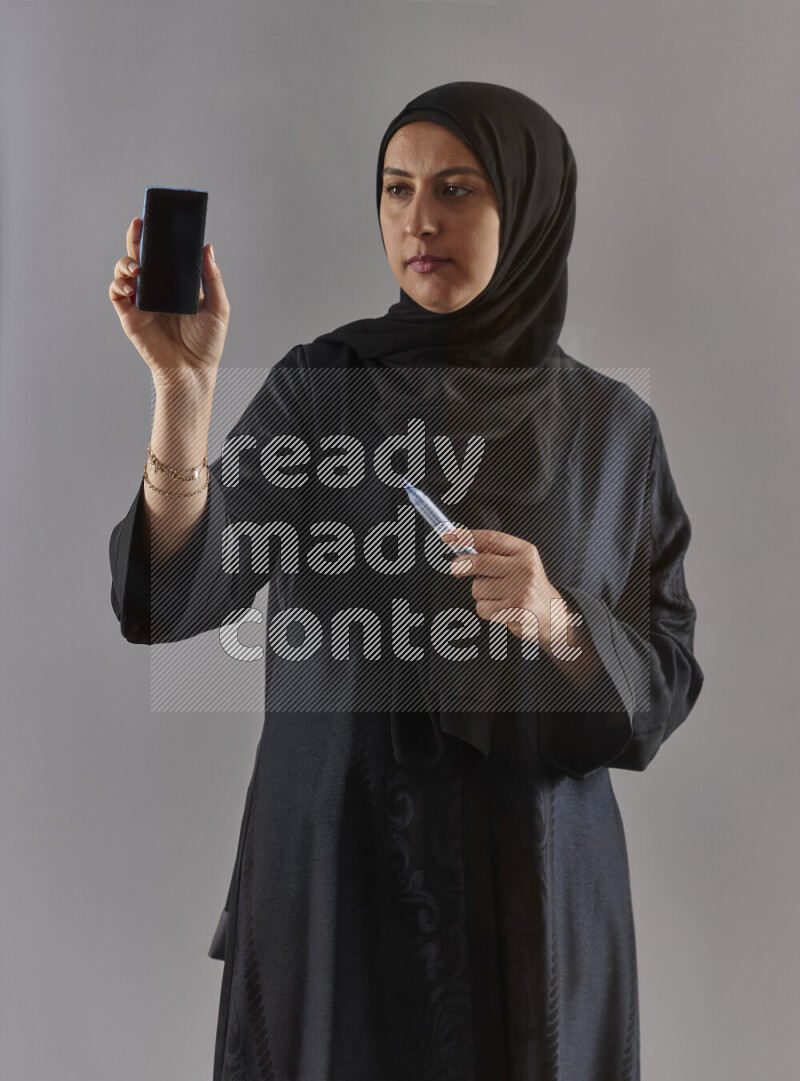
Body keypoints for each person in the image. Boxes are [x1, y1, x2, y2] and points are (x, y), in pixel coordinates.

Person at [108, 81, 704, 1081]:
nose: (418, 219)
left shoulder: (611, 430)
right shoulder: (322, 388)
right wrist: (182, 397)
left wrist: (560, 620)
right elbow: (177, 592)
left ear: (529, 207)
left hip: (534, 894)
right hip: (340, 872)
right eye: (396, 188)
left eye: (456, 188)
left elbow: (665, 677)